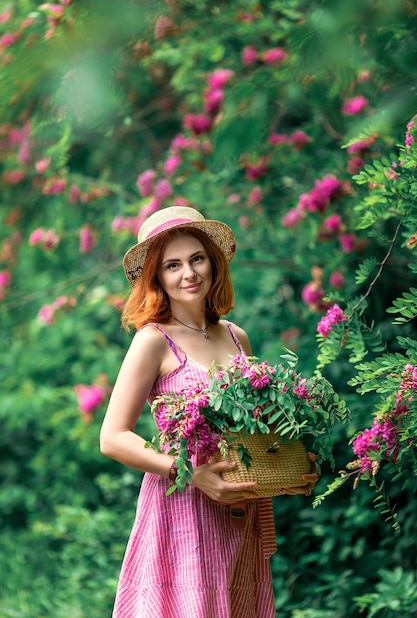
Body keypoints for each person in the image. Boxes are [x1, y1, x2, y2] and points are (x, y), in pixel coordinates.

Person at [100, 205, 318, 618]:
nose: (189, 273)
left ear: (213, 263)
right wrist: (191, 475)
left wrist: (289, 465)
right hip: (182, 510)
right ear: (157, 277)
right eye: (173, 265)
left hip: (240, 511)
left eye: (197, 258)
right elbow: (112, 438)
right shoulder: (153, 340)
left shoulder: (237, 338)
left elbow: (255, 430)